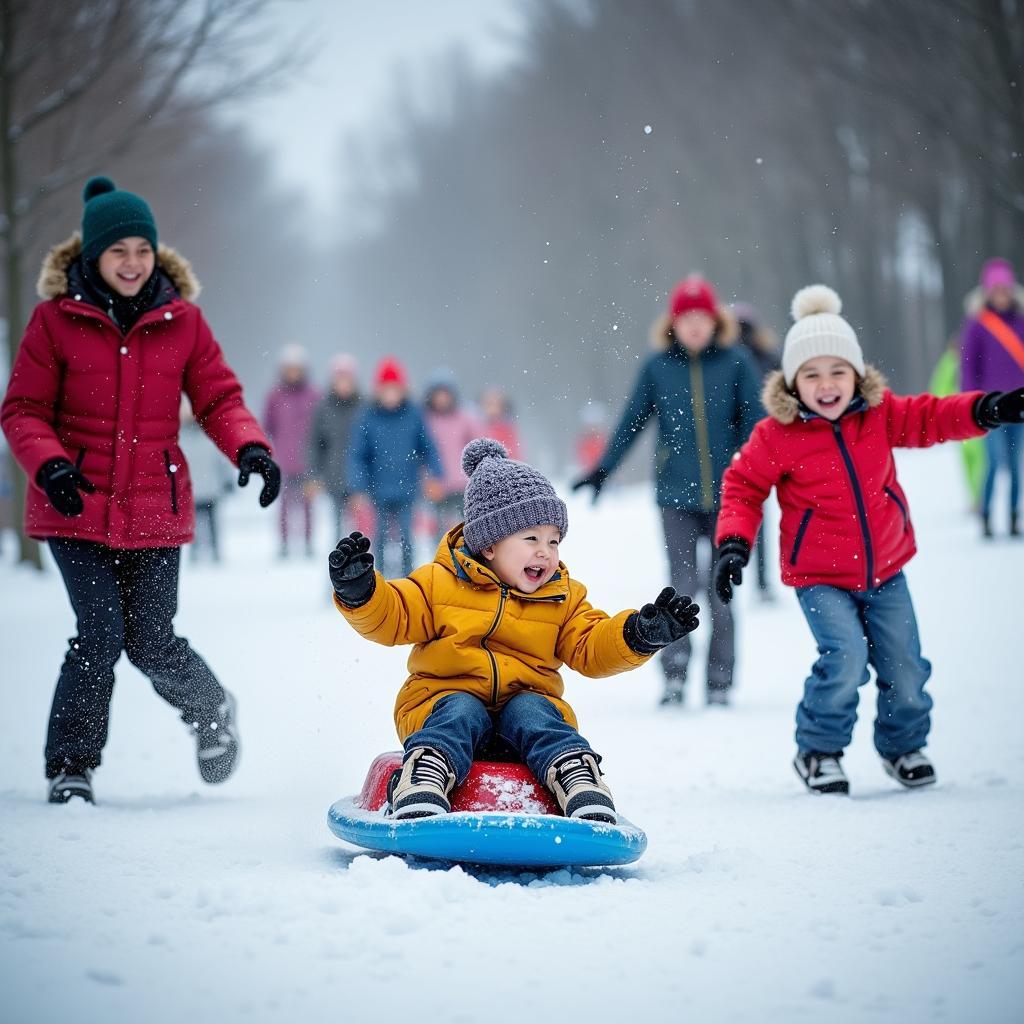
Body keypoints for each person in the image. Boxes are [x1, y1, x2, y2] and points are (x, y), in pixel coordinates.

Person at [0, 176, 281, 804]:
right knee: (99, 632)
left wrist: (251, 448)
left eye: (142, 250)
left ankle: (210, 710)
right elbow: (22, 409)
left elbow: (218, 396)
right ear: (92, 255)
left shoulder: (182, 321)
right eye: (118, 250)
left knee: (152, 639)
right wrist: (49, 466)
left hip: (156, 502)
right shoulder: (54, 321)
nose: (132, 263)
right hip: (74, 501)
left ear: (157, 255)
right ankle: (72, 767)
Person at [712, 284, 1024, 795]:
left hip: (886, 568)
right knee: (846, 657)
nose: (827, 384)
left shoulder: (880, 415)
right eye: (811, 374)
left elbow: (934, 416)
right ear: (793, 382)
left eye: (838, 371)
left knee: (905, 664)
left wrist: (989, 408)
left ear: (856, 374)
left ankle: (904, 747)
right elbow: (742, 488)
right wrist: (733, 544)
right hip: (819, 577)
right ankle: (818, 752)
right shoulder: (777, 434)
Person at [328, 439, 700, 821]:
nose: (546, 552)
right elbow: (395, 614)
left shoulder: (562, 597)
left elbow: (590, 646)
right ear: (489, 545)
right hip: (441, 702)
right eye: (531, 539)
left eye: (553, 541)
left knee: (536, 711)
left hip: (524, 716)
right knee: (459, 708)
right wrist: (362, 593)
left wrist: (637, 635)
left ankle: (576, 777)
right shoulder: (439, 583)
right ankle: (426, 775)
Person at [573, 275, 761, 707]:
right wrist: (603, 469)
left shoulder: (736, 363)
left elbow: (756, 420)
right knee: (680, 586)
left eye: (703, 318)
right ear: (674, 323)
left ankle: (719, 682)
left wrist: (758, 471)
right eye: (686, 318)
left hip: (729, 496)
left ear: (715, 322)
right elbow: (631, 421)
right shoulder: (658, 367)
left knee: (722, 589)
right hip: (676, 495)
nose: (695, 326)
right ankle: (674, 675)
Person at [348, 357, 443, 577]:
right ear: (378, 391)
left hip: (408, 486)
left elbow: (428, 446)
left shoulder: (414, 414)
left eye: (395, 389)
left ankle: (409, 579)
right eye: (386, 390)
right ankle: (379, 579)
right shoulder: (368, 416)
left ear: (403, 390)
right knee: (379, 537)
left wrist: (436, 475)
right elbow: (357, 455)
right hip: (378, 488)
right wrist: (358, 487)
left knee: (407, 537)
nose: (390, 395)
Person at [960, 258, 1024, 538]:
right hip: (990, 408)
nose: (1001, 295)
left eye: (1004, 289)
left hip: (1019, 405)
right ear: (987, 293)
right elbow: (968, 365)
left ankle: (1012, 518)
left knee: (1016, 465)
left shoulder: (1021, 322)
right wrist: (972, 404)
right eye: (995, 290)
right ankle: (986, 516)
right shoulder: (977, 325)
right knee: (995, 463)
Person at [733, 302, 781, 600]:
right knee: (749, 513)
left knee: (752, 513)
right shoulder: (738, 359)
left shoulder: (763, 358)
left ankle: (758, 578)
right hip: (744, 447)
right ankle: (749, 576)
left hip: (761, 446)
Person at [263, 344, 320, 557]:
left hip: (308, 461)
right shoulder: (275, 397)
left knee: (307, 506)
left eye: (297, 368)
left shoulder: (313, 395)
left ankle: (307, 542)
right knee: (284, 506)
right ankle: (284, 543)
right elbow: (267, 426)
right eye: (290, 368)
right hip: (283, 461)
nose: (293, 373)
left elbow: (320, 428)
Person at [307, 354, 363, 538]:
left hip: (361, 476)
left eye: (347, 379)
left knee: (361, 523)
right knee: (337, 523)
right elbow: (315, 443)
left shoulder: (365, 406)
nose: (344, 384)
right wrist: (314, 474)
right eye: (340, 379)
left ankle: (362, 559)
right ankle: (339, 559)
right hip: (334, 474)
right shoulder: (324, 408)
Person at [422, 368, 480, 539]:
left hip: (463, 484)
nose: (442, 399)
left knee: (467, 529)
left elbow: (477, 445)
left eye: (445, 394)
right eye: (438, 394)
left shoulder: (465, 417)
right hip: (437, 484)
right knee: (440, 532)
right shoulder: (425, 419)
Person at [929, 339, 985, 512]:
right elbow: (939, 388)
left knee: (976, 460)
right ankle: (977, 497)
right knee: (971, 460)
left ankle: (979, 497)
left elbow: (938, 388)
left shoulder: (966, 361)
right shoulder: (950, 364)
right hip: (958, 416)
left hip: (969, 414)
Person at [177, 398, 234, 562]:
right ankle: (196, 551)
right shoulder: (178, 438)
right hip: (190, 489)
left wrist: (227, 479)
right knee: (193, 523)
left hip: (209, 488)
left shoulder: (211, 435)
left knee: (211, 521)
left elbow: (221, 459)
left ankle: (215, 549)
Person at [478, 385, 522, 460]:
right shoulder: (476, 425)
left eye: (496, 404)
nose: (492, 408)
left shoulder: (507, 427)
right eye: (489, 404)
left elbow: (515, 452)